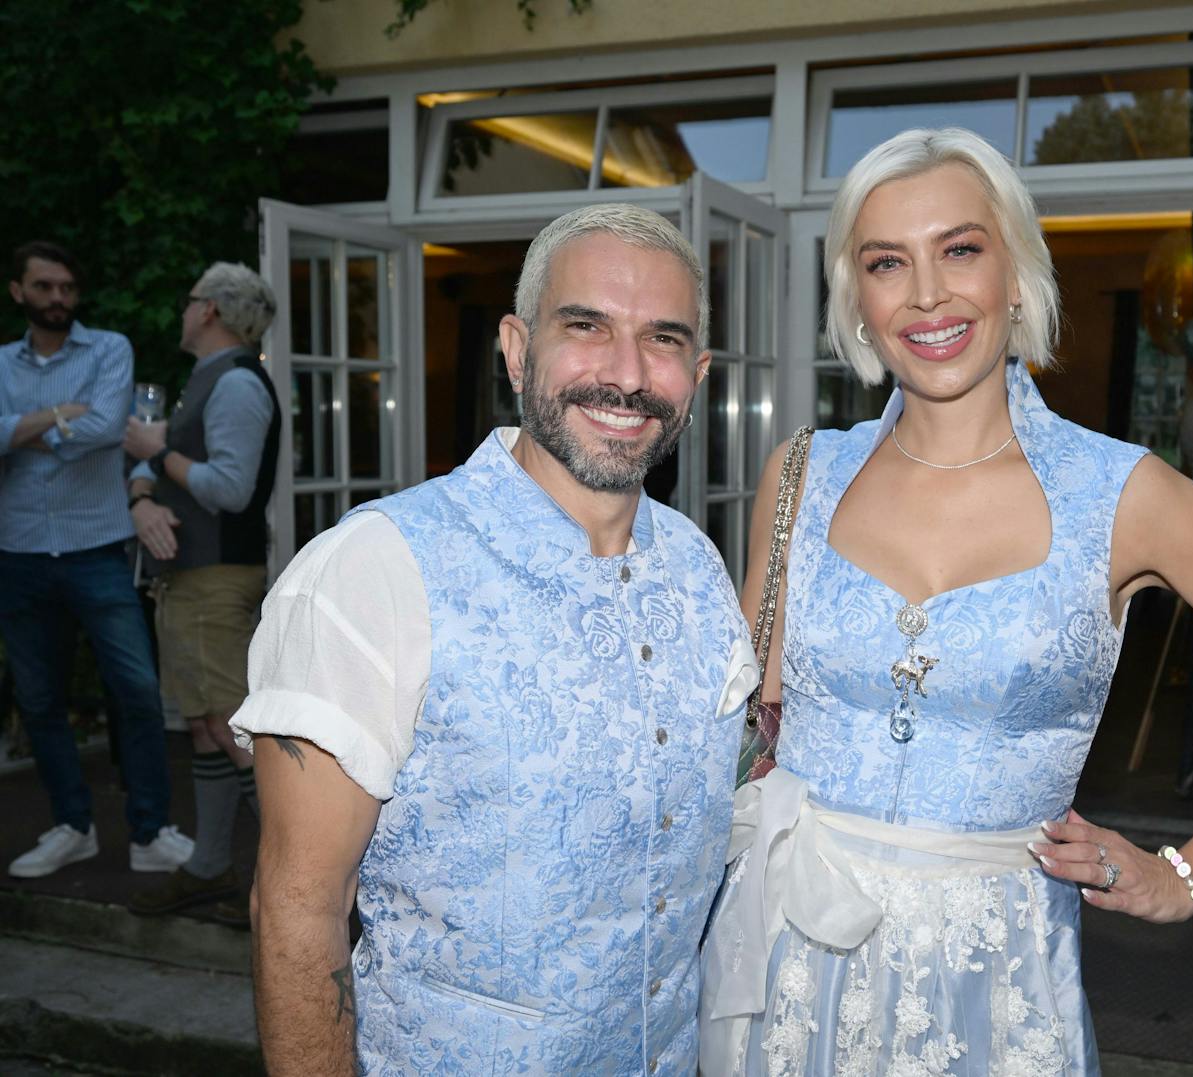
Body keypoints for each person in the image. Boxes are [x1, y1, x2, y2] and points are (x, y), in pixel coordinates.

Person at [698, 129, 1193, 1074]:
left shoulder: (1124, 494)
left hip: (996, 984)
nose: (928, 293)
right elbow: (749, 733)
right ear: (856, 299)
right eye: (887, 262)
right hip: (794, 970)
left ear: (1017, 273)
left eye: (961, 249)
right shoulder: (802, 475)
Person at [233, 204, 757, 1074]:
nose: (627, 375)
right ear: (517, 350)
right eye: (586, 326)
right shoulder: (375, 570)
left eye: (662, 340)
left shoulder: (699, 571)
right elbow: (296, 907)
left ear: (695, 374)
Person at [0, 241, 193, 879]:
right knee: (40, 699)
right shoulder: (2, 362)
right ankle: (71, 827)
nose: (58, 298)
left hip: (99, 550)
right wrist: (63, 414)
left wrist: (24, 429)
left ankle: (150, 833)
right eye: (44, 286)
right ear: (18, 292)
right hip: (20, 553)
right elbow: (76, 428)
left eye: (66, 287)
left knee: (136, 690)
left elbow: (110, 427)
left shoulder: (109, 348)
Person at [123, 263, 281, 923]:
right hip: (193, 580)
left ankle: (295, 883)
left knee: (229, 725)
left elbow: (229, 489)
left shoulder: (238, 383)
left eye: (189, 300)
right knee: (206, 726)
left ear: (210, 309)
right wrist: (142, 492)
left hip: (216, 580)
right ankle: (209, 867)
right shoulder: (212, 379)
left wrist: (157, 455)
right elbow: (153, 460)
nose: (182, 310)